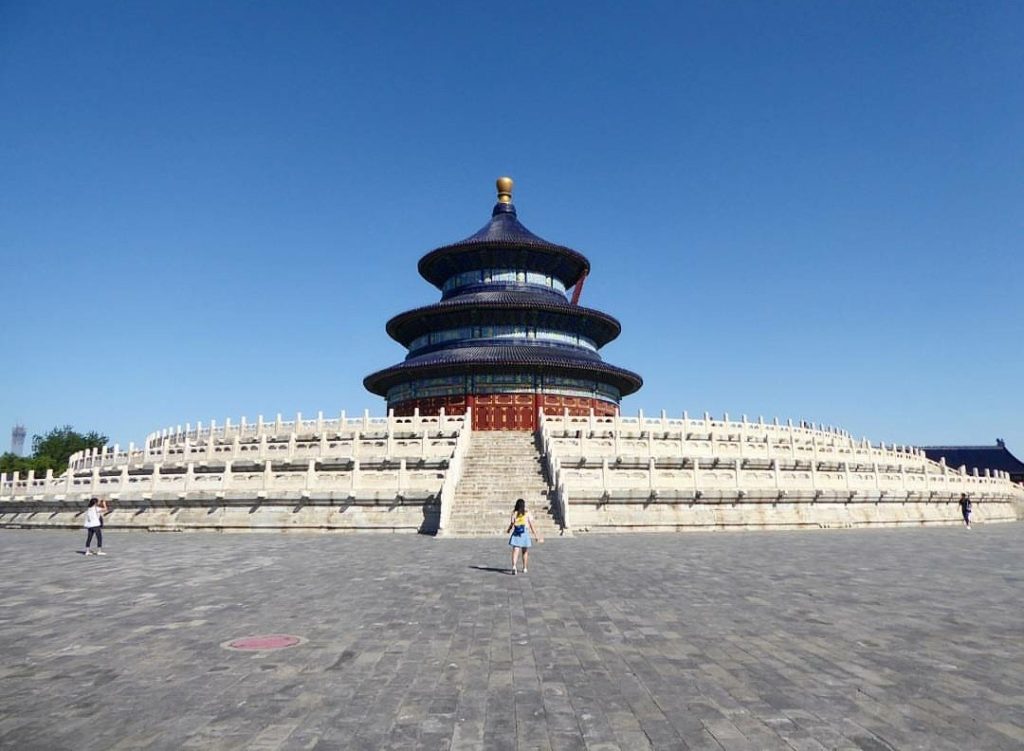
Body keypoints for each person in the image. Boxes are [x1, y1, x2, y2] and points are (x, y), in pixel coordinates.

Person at [506, 498, 542, 575]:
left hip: (516, 532)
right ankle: (525, 567)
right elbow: (532, 525)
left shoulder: (514, 513)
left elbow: (512, 524)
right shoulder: (527, 513)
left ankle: (514, 566)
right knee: (524, 551)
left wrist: (509, 529)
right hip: (524, 533)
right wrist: (536, 536)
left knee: (515, 550)